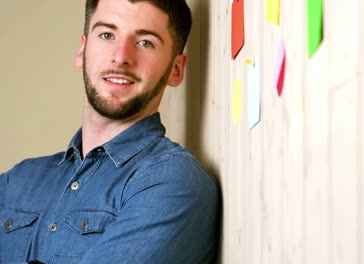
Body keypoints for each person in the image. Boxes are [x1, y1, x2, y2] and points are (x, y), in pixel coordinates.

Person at [0, 0, 220, 263]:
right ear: (82, 49)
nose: (121, 56)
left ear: (176, 69)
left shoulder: (175, 182)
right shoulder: (16, 181)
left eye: (145, 42)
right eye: (107, 34)